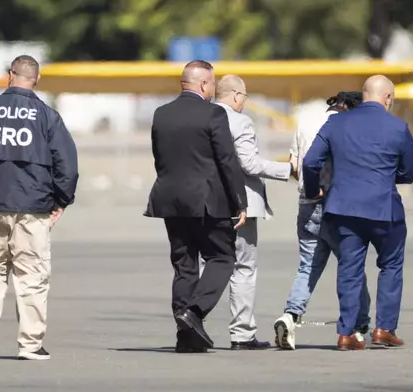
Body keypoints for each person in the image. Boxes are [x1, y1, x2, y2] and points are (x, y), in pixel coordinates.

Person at [0, 55, 79, 360]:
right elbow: (67, 166)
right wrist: (61, 200)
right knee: (31, 273)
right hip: (33, 206)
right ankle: (30, 344)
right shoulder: (48, 116)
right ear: (36, 79)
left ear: (10, 75)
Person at [302, 75, 413, 351]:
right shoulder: (399, 127)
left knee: (349, 269)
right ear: (388, 98)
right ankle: (384, 329)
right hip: (384, 209)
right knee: (390, 266)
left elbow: (310, 161)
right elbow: (409, 173)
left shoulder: (335, 122)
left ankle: (346, 334)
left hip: (343, 209)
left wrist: (312, 189)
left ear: (364, 95)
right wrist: (386, 177)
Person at [144, 61, 248, 354]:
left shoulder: (161, 114)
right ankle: (195, 312)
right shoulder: (213, 113)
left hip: (170, 198)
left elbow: (159, 156)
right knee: (222, 257)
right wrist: (239, 201)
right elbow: (226, 160)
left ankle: (186, 337)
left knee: (184, 265)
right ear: (203, 84)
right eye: (213, 84)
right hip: (206, 200)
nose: (214, 90)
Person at [273, 92, 371, 351]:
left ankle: (290, 316)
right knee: (352, 267)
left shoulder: (305, 124)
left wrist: (309, 189)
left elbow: (295, 165)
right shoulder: (344, 127)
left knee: (307, 267)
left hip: (305, 206)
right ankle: (360, 326)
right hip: (335, 206)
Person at [212, 74, 292, 350]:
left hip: (205, 204)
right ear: (235, 95)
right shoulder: (240, 121)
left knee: (206, 264)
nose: (244, 102)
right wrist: (288, 170)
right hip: (239, 204)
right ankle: (242, 334)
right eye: (244, 97)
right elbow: (248, 163)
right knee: (243, 268)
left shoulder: (202, 117)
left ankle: (193, 322)